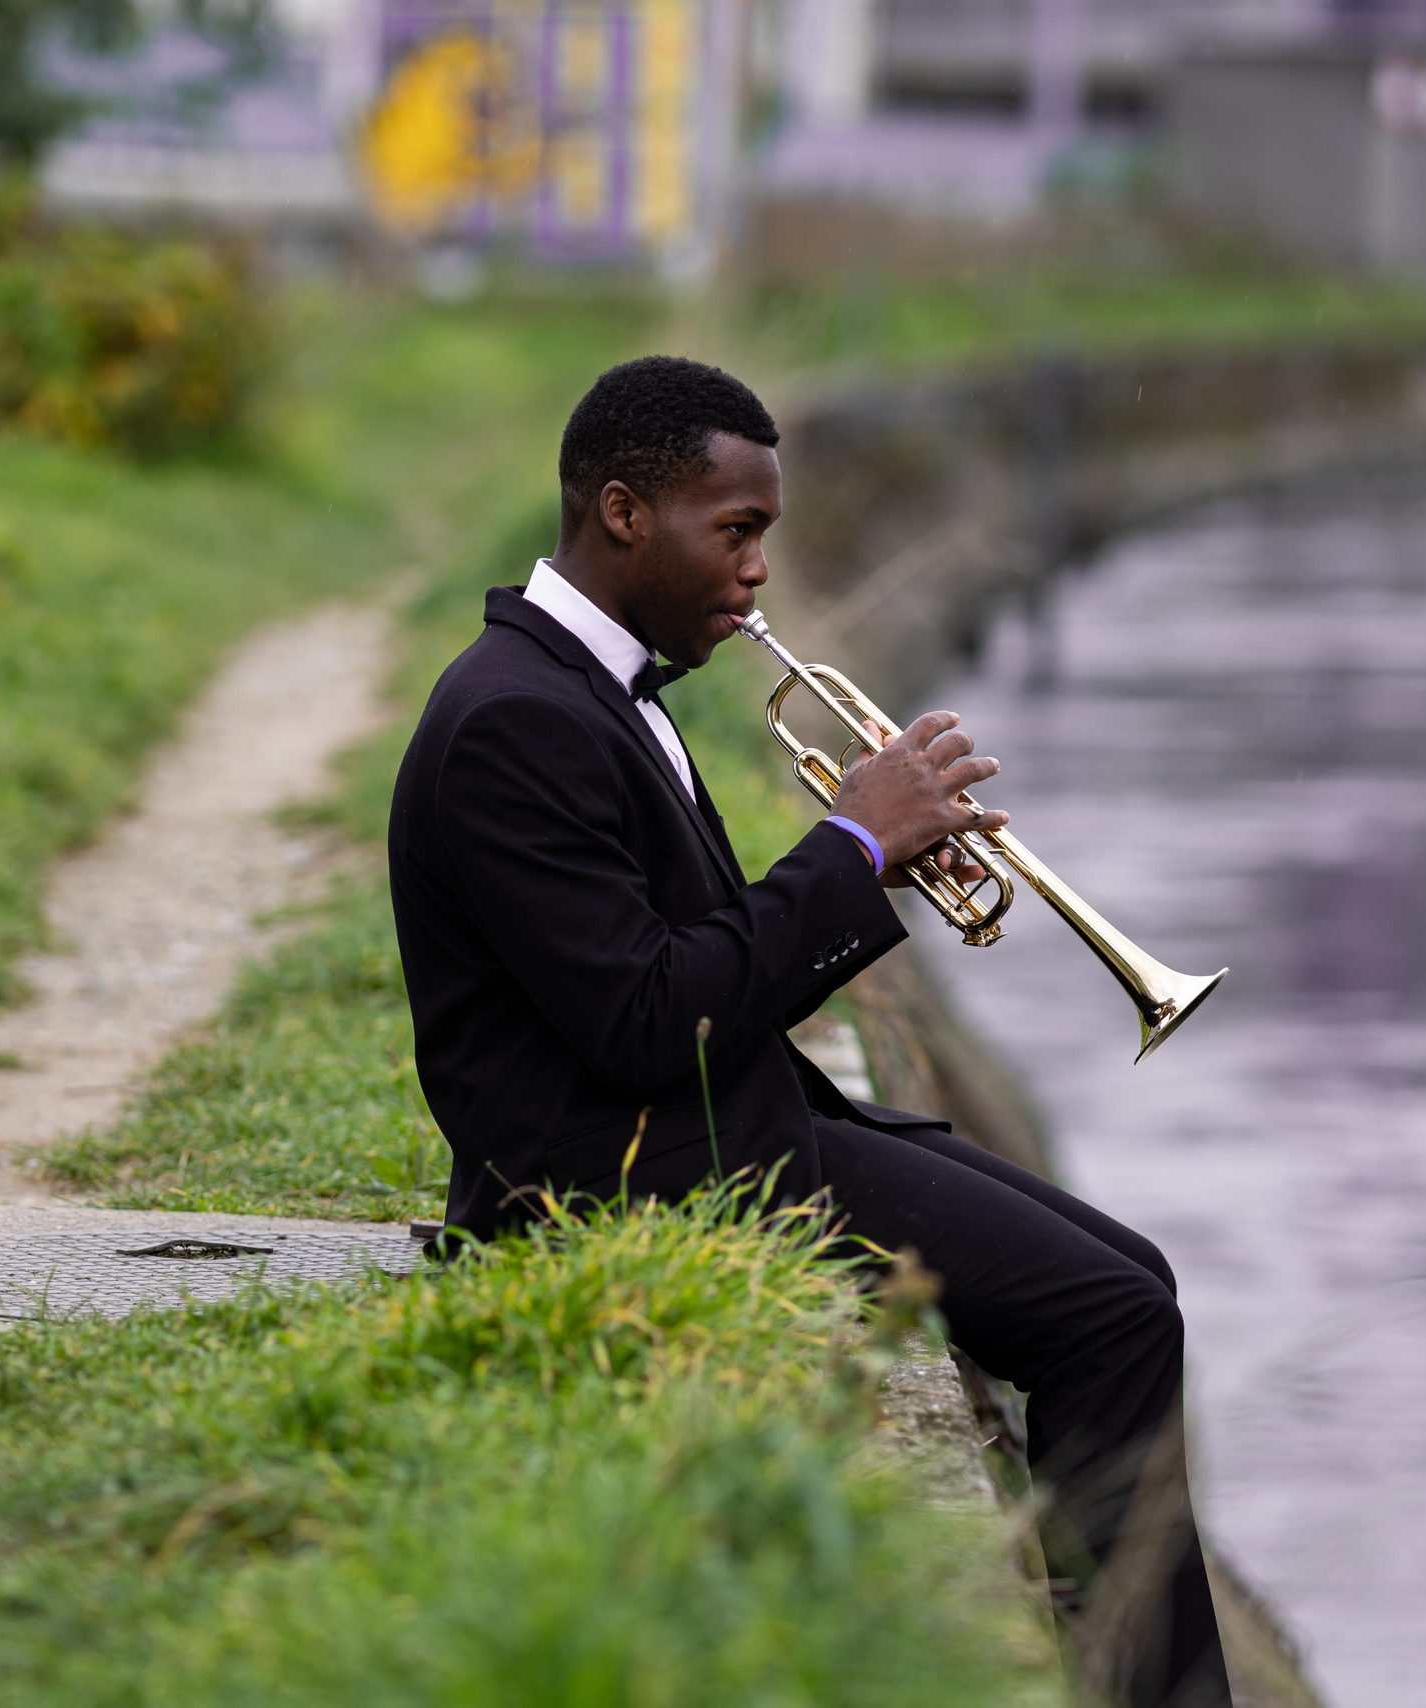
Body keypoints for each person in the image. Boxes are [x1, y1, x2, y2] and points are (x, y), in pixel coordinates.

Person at [387, 356, 1229, 1707]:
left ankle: (1114, 1653)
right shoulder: (513, 722)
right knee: (1112, 1317)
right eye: (737, 532)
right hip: (624, 1173)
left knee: (1132, 1276)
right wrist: (848, 848)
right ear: (620, 513)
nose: (760, 573)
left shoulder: (593, 693)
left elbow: (683, 977)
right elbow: (649, 1018)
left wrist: (873, 867)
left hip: (709, 1125)